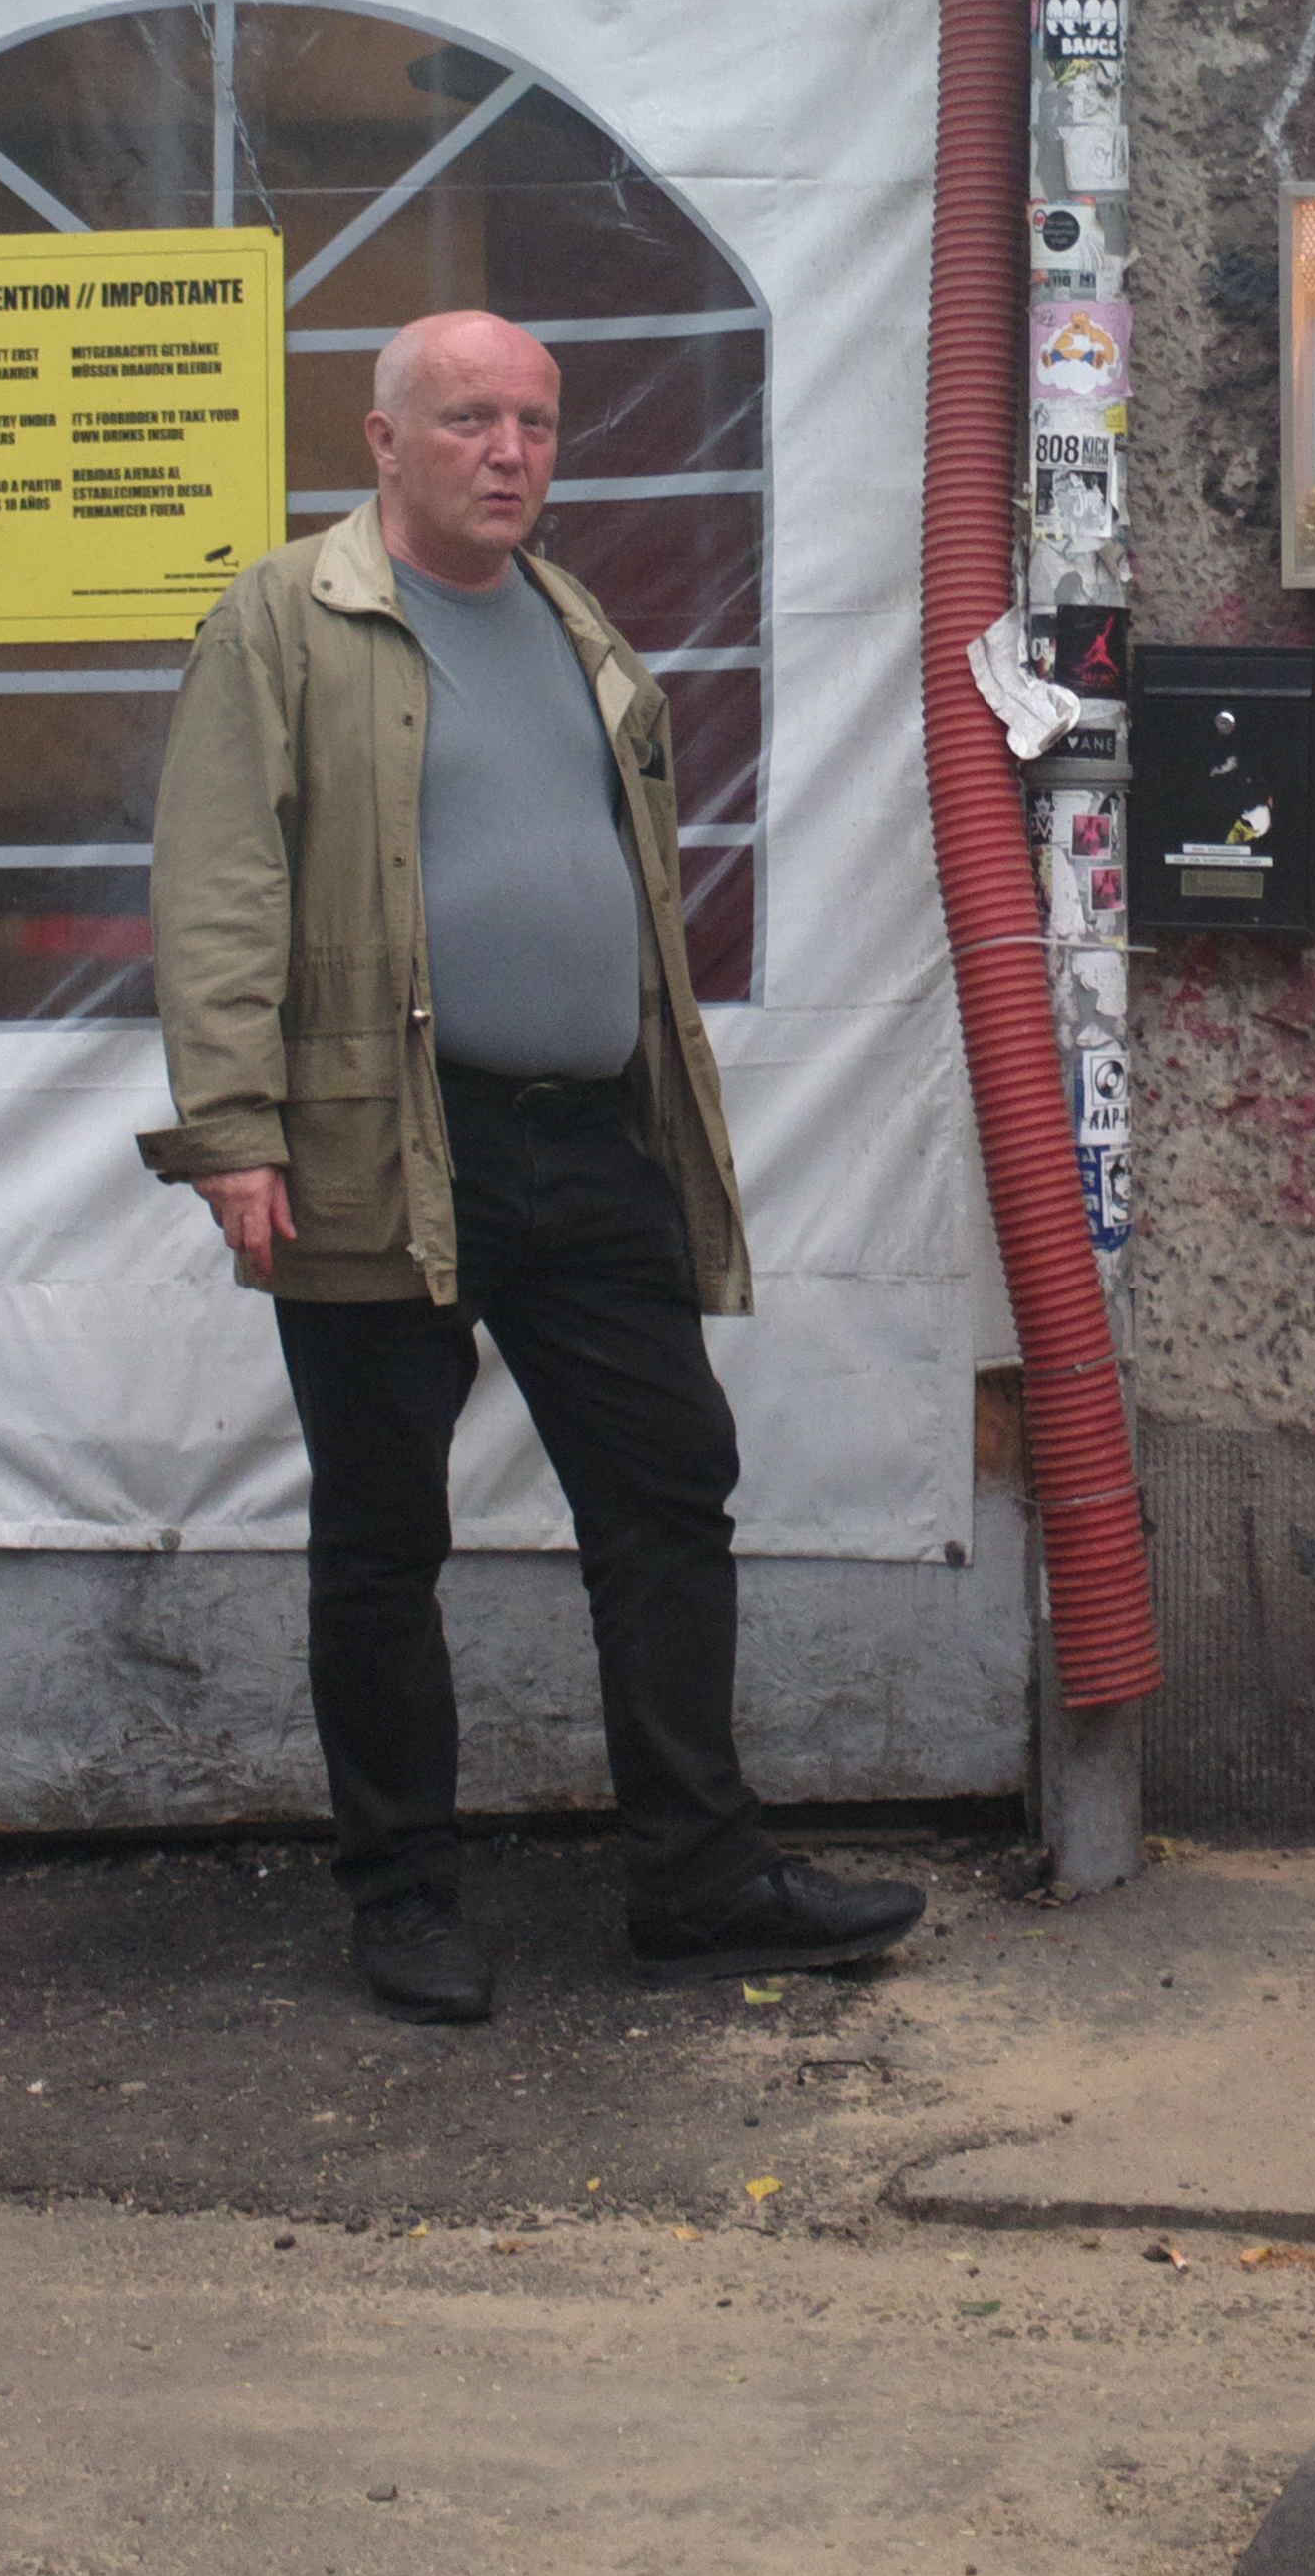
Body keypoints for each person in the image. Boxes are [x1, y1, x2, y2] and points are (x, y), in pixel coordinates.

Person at [137, 307, 930, 2025]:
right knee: (379, 1532)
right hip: (374, 1146)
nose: (511, 451)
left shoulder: (576, 623)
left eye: (539, 423)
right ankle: (405, 1892)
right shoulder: (285, 618)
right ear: (385, 440)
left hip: (586, 1142)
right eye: (471, 417)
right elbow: (217, 884)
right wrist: (230, 1132)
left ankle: (698, 1879)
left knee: (665, 1485)